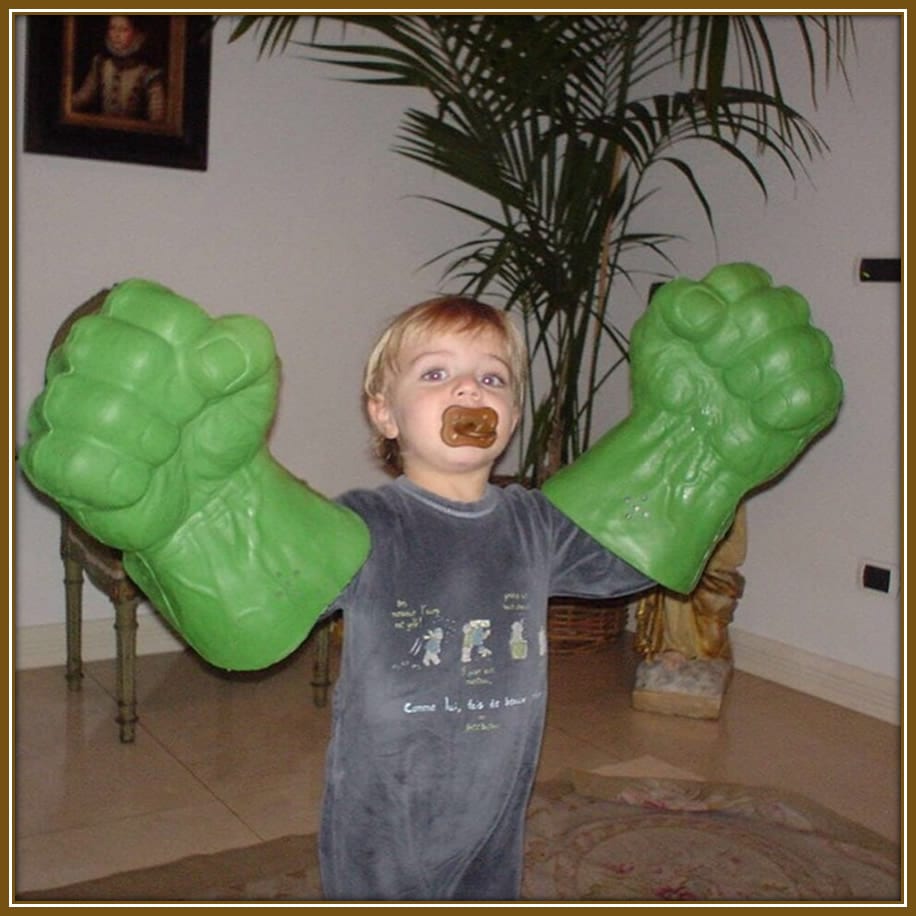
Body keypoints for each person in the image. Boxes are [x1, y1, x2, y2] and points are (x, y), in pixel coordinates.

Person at [19, 264, 843, 900]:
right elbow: (271, 587)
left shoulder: (534, 523)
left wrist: (696, 457)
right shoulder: (368, 527)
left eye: (493, 378)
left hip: (496, 814)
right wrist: (197, 518)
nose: (469, 392)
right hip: (383, 825)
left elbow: (631, 554)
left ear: (513, 414)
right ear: (384, 413)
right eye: (436, 374)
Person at [70, 15, 166, 122]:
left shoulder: (149, 74)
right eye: (112, 28)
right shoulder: (100, 64)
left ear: (137, 34)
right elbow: (83, 97)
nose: (116, 35)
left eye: (124, 30)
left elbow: (157, 115)